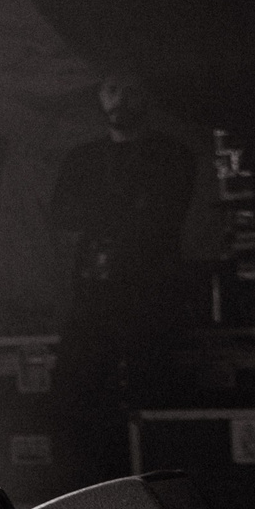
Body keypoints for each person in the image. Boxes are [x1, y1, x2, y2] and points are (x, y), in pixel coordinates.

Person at [46, 71, 194, 482]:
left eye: (130, 90)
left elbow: (165, 215)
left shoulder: (171, 154)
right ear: (99, 98)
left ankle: (161, 488)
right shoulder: (83, 157)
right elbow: (61, 213)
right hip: (95, 295)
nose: (120, 100)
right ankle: (89, 489)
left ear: (146, 97)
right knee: (77, 394)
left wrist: (110, 212)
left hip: (152, 296)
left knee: (154, 398)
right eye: (112, 90)